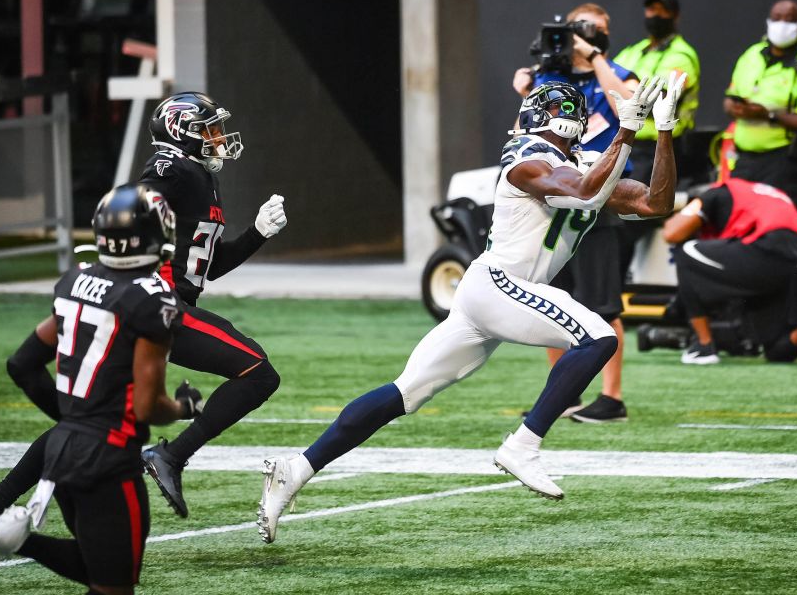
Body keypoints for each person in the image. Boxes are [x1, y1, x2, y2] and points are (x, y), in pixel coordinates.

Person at [257, 74, 681, 543]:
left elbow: (655, 201)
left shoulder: (581, 163)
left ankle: (295, 468)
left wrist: (662, 131)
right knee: (599, 336)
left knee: (406, 392)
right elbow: (583, 190)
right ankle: (523, 444)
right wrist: (626, 131)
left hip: (498, 294)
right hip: (499, 284)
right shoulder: (526, 159)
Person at [0, 92, 288, 532]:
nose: (217, 137)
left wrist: (257, 234)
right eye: (207, 129)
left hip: (168, 300)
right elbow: (137, 201)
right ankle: (171, 456)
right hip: (159, 303)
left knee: (91, 418)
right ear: (180, 134)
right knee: (258, 372)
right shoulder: (172, 168)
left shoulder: (199, 177)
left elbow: (206, 265)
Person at [0, 184, 203, 594]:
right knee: (116, 583)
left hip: (63, 451)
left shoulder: (75, 280)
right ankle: (24, 542)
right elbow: (147, 405)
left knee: (102, 575)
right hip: (108, 459)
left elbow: (22, 364)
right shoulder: (153, 300)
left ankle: (23, 541)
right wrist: (183, 407)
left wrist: (72, 420)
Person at [512, 3, 638, 423]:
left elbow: (630, 107)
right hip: (555, 199)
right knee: (552, 298)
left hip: (600, 199)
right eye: (579, 29)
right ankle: (561, 392)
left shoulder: (616, 71)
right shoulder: (550, 78)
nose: (586, 34)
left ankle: (612, 397)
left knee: (603, 304)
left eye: (596, 29)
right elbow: (522, 129)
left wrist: (596, 57)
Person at [660, 177, 797, 366]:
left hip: (772, 247)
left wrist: (696, 204)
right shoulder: (767, 193)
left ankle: (703, 346)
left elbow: (671, 233)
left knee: (685, 252)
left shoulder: (718, 191)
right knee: (777, 350)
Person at [723, 0, 797, 209]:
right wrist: (735, 108)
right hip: (743, 160)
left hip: (783, 163)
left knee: (776, 226)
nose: (782, 24)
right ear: (768, 21)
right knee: (737, 219)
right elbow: (730, 97)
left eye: (789, 20)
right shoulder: (751, 55)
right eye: (777, 18)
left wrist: (769, 115)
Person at [612, 0, 702, 180]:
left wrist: (622, 89)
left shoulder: (682, 55)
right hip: (623, 141)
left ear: (675, 16)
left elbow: (660, 101)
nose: (656, 14)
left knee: (639, 208)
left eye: (663, 10)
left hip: (657, 148)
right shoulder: (634, 51)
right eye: (652, 9)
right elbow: (605, 83)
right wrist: (631, 90)